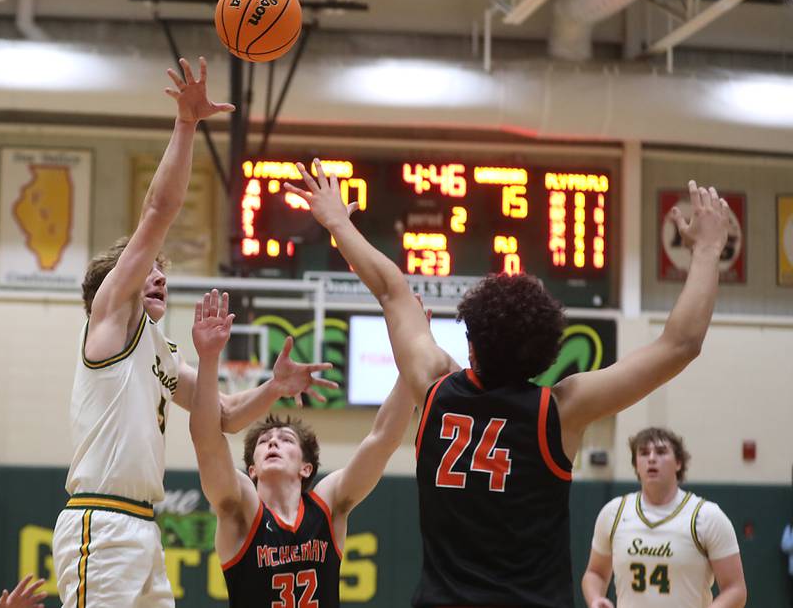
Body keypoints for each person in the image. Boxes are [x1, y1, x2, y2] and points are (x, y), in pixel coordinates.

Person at [285, 161, 730, 607]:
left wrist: (338, 221)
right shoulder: (560, 410)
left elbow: (390, 289)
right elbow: (680, 344)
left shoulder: (433, 386)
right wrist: (707, 252)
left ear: (471, 341)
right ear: (544, 352)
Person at [51, 59, 332, 608]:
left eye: (163, 269)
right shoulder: (108, 318)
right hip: (99, 523)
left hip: (141, 528)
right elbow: (159, 208)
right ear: (116, 282)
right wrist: (186, 124)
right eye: (146, 267)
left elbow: (223, 414)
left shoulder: (156, 350)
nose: (159, 274)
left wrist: (272, 389)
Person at [188, 288, 418, 608]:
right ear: (251, 469)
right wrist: (209, 359)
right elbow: (207, 443)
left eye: (286, 440)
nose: (272, 442)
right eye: (265, 442)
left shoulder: (328, 506)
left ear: (306, 468)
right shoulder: (241, 511)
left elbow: (383, 440)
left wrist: (412, 363)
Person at [582, 427, 746, 607]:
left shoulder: (706, 516)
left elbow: (735, 589)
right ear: (636, 464)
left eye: (661, 452)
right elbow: (595, 573)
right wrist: (595, 599)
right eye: (644, 453)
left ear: (678, 463)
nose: (651, 458)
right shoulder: (614, 513)